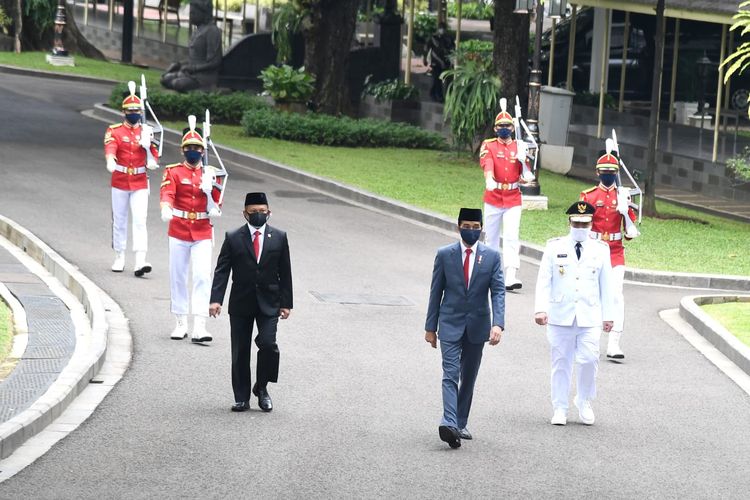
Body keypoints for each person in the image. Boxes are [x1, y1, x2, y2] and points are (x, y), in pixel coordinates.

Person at [425, 207, 505, 449]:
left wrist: (498, 324)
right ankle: (448, 421)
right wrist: (430, 327)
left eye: (475, 227)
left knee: (468, 376)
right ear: (458, 226)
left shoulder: (491, 257)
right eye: (466, 226)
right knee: (450, 374)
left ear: (481, 229)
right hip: (449, 323)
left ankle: (460, 422)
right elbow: (435, 291)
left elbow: (498, 291)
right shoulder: (444, 254)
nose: (471, 231)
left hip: (477, 325)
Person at [209, 192, 293, 413]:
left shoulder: (279, 237)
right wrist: (216, 300)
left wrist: (286, 303)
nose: (258, 216)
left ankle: (262, 387)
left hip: (270, 302)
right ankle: (241, 398)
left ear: (269, 213)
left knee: (268, 344)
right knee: (240, 350)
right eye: (254, 212)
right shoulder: (233, 237)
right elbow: (222, 270)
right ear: (245, 214)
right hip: (241, 302)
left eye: (262, 212)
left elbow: (285, 272)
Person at [534, 201, 614, 426]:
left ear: (591, 224)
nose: (580, 227)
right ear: (569, 222)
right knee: (561, 363)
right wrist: (541, 308)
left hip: (589, 315)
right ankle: (560, 407)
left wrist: (609, 316)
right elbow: (544, 281)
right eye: (577, 223)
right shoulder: (554, 247)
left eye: (585, 223)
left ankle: (584, 400)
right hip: (560, 315)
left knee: (589, 360)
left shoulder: (600, 250)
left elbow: (607, 285)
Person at [159, 124, 223, 343]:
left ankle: (200, 325)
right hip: (178, 228)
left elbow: (217, 204)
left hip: (202, 231)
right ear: (182, 150)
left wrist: (210, 191)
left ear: (203, 151)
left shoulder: (211, 173)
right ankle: (180, 322)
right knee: (178, 275)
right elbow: (167, 191)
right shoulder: (174, 171)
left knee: (202, 276)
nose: (193, 150)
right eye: (189, 147)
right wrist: (166, 207)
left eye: (197, 147)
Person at [579, 152, 639, 360]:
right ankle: (589, 337)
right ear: (597, 173)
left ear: (616, 174)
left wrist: (624, 211)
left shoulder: (623, 196)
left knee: (616, 296)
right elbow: (580, 225)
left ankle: (614, 342)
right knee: (590, 294)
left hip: (614, 251)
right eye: (604, 172)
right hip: (594, 250)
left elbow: (630, 234)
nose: (608, 176)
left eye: (612, 173)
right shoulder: (589, 196)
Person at [103, 86, 159, 276]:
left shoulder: (147, 131)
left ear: (141, 112)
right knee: (119, 220)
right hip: (120, 180)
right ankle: (119, 255)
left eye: (137, 111)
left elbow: (154, 159)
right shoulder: (115, 130)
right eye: (130, 111)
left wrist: (148, 149)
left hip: (139, 181)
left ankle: (140, 259)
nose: (133, 114)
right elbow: (111, 146)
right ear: (124, 112)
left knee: (140, 220)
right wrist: (110, 159)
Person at [479, 105, 535, 291]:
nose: (504, 128)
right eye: (500, 125)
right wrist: (489, 179)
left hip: (512, 198)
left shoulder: (519, 146)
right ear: (495, 128)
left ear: (512, 127)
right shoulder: (489, 145)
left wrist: (523, 160)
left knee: (512, 236)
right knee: (491, 238)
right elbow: (487, 162)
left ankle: (510, 274)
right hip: (493, 196)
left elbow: (527, 174)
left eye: (507, 125)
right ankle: (491, 274)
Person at [161, 0, 222, 93]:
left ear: (203, 13)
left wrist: (194, 68)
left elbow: (214, 62)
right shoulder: (198, 30)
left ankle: (204, 88)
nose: (190, 16)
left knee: (177, 84)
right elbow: (194, 58)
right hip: (191, 73)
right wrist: (179, 64)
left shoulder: (212, 31)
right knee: (165, 79)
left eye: (193, 13)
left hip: (204, 77)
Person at [423, 22, 454, 102]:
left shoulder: (448, 38)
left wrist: (452, 60)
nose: (442, 30)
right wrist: (425, 59)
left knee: (445, 79)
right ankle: (438, 96)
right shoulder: (433, 38)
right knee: (437, 79)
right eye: (441, 28)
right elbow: (426, 48)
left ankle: (434, 93)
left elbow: (452, 49)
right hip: (436, 62)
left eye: (443, 28)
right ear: (438, 29)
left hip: (446, 62)